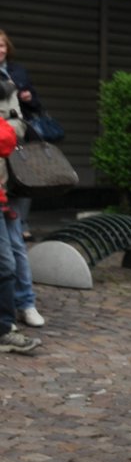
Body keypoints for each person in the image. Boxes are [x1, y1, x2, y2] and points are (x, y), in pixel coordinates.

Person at [0, 29, 43, 322]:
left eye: (1, 44)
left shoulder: (15, 73)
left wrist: (26, 96)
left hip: (15, 170)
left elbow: (30, 112)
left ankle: (25, 302)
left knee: (14, 241)